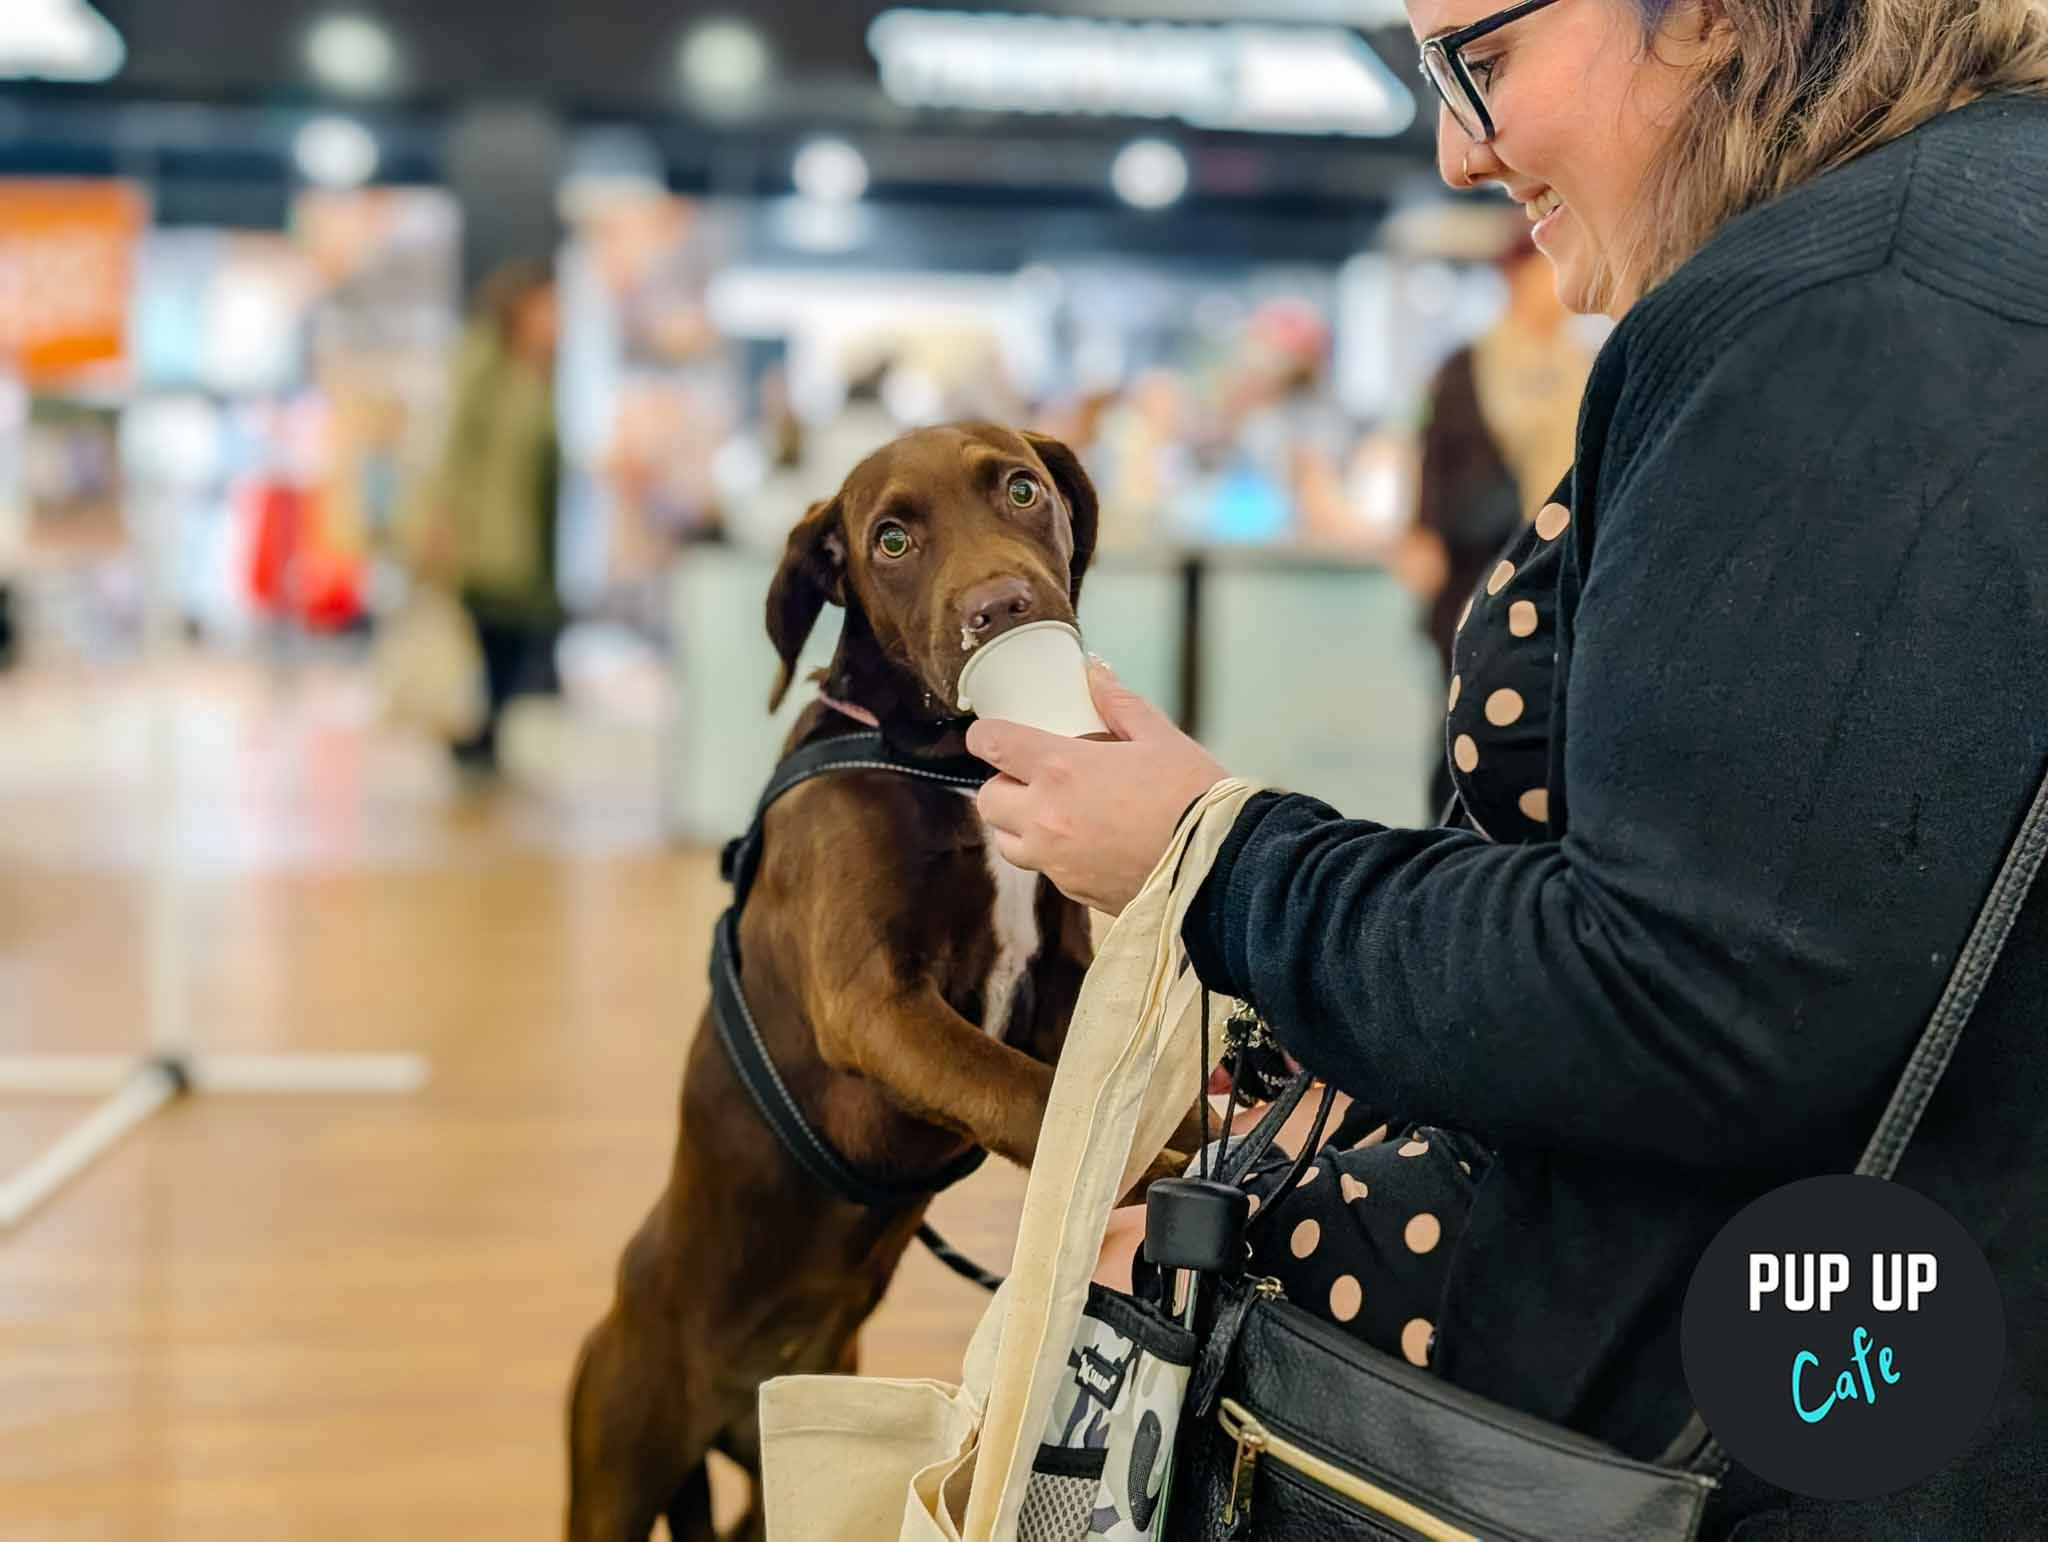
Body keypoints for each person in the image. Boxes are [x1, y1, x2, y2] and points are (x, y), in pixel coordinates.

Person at [967, 1, 2048, 1534]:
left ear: (1718, 16)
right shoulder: (1943, 246)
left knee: (1108, 1290)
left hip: (1751, 1388)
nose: (1456, 146)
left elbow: (1680, 999)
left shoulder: (1846, 311)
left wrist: (1220, 864)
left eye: (1478, 58)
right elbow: (1798, 909)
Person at [1393, 235, 1592, 815]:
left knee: (1546, 710)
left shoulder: (1581, 361)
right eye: (1541, 272)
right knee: (1465, 703)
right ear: (1515, 279)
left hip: (1559, 560)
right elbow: (1433, 452)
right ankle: (1449, 830)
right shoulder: (1471, 361)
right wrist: (1421, 532)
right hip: (1473, 560)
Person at [402, 258, 564, 774]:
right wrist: (440, 526)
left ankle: (483, 742)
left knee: (510, 644)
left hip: (524, 540)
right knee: (488, 642)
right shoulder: (483, 367)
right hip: (484, 540)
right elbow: (450, 452)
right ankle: (473, 742)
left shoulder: (534, 371)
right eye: (547, 307)